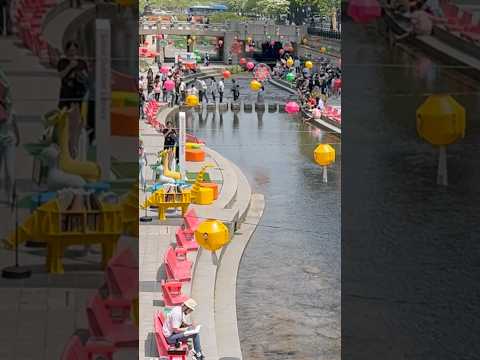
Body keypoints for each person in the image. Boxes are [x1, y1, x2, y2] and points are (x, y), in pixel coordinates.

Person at [57, 41, 89, 159]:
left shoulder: (81, 63)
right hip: (66, 96)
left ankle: (73, 146)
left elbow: (86, 78)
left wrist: (80, 73)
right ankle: (66, 145)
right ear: (66, 52)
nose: (72, 53)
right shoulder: (63, 62)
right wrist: (70, 66)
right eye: (69, 51)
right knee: (65, 121)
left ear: (77, 51)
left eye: (74, 50)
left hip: (78, 96)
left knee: (77, 121)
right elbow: (61, 75)